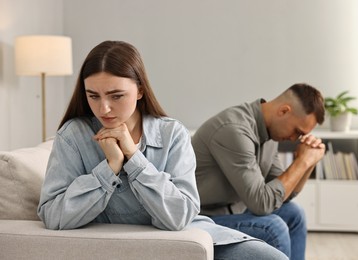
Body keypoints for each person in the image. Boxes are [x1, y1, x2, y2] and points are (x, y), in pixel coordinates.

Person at [37, 40, 288, 260]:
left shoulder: (172, 134)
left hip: (184, 241)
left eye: (116, 96)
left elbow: (180, 217)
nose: (103, 109)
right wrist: (110, 167)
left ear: (140, 91)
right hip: (117, 245)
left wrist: (134, 159)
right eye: (93, 96)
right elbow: (53, 216)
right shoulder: (72, 136)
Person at [192, 83, 326, 260]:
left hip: (234, 210)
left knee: (295, 214)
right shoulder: (234, 130)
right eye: (296, 131)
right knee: (274, 227)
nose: (295, 139)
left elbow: (285, 194)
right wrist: (303, 161)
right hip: (202, 218)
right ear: (284, 111)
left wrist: (310, 162)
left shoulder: (270, 133)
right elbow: (261, 204)